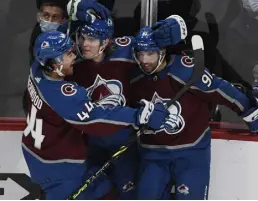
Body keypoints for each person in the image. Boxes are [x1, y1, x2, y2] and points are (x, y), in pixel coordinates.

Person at [22, 30, 175, 199]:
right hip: (60, 169)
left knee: (108, 192)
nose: (74, 56)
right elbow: (97, 118)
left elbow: (45, 47)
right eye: (68, 54)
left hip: (40, 156)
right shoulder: (62, 96)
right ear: (55, 63)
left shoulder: (36, 69)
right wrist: (140, 115)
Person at [62, 0, 188, 199]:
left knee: (129, 192)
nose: (85, 44)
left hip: (123, 142)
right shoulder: (70, 59)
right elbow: (45, 59)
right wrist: (73, 8)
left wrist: (171, 29)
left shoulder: (126, 49)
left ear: (106, 42)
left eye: (92, 39)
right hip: (89, 142)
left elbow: (157, 46)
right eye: (83, 37)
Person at [130, 26, 258, 199]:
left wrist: (248, 109)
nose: (144, 60)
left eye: (150, 53)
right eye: (140, 54)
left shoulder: (185, 71)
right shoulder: (135, 77)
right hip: (153, 153)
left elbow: (220, 89)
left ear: (162, 51)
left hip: (190, 153)